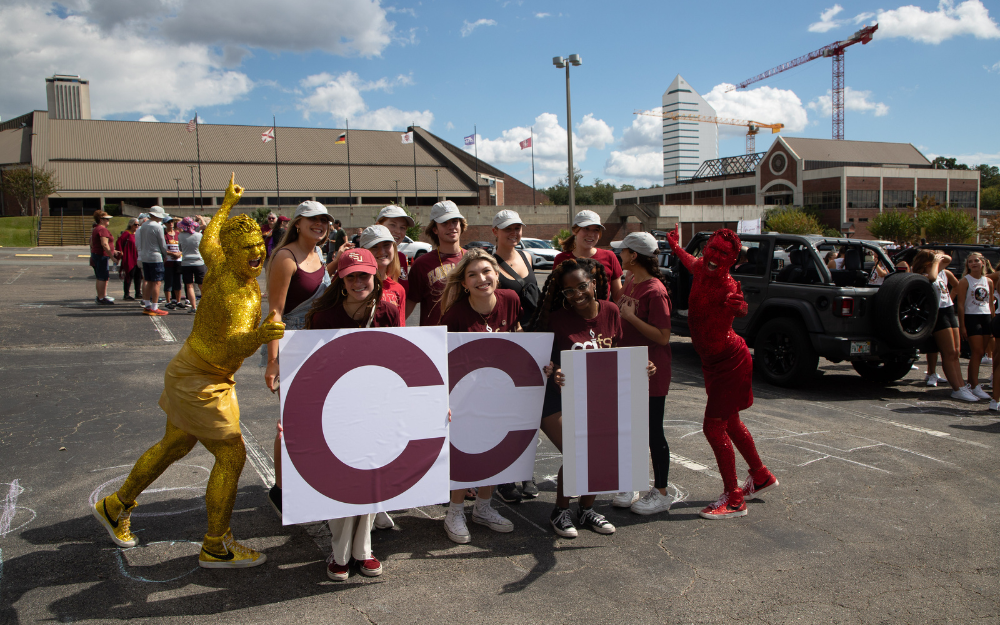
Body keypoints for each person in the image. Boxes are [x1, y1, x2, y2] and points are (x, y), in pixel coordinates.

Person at [92, 174, 284, 568]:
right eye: (247, 248)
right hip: (202, 378)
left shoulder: (222, 261)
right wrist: (261, 336)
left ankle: (115, 505)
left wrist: (226, 205)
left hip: (193, 369)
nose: (256, 253)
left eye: (258, 246)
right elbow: (230, 345)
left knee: (175, 445)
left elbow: (210, 237)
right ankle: (216, 545)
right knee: (231, 454)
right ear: (231, 252)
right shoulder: (234, 294)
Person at [666, 226, 778, 519]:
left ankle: (734, 498)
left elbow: (739, 308)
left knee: (713, 427)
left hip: (730, 362)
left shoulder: (728, 287)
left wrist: (740, 308)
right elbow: (689, 260)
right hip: (713, 363)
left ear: (732, 260)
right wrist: (675, 246)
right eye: (712, 248)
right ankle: (761, 476)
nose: (714, 256)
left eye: (723, 253)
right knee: (731, 423)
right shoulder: (701, 267)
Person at [304, 248, 399, 580]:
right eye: (352, 276)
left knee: (372, 477)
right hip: (337, 409)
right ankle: (340, 552)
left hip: (377, 407)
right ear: (341, 281)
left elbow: (403, 358)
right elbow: (309, 369)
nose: (359, 282)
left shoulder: (387, 311)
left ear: (376, 277)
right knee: (342, 480)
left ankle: (364, 550)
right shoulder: (323, 317)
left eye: (365, 275)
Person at [526, 257, 627, 538]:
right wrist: (555, 371)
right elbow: (547, 362)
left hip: (594, 397)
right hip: (556, 399)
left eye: (582, 286)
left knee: (599, 451)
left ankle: (586, 509)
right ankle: (560, 511)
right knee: (578, 451)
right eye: (569, 291)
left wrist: (643, 367)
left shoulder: (611, 311)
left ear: (593, 283)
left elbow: (617, 353)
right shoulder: (557, 319)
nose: (577, 294)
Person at [436, 249, 519, 543]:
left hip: (500, 391)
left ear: (497, 274)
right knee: (465, 451)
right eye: (472, 274)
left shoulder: (511, 299)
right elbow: (442, 357)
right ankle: (455, 512)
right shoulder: (455, 314)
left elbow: (517, 331)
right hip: (465, 395)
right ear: (464, 283)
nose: (481, 278)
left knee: (495, 448)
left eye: (486, 271)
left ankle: (484, 507)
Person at [264, 201, 336, 516]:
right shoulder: (285, 257)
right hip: (292, 345)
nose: (320, 224)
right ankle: (280, 491)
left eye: (324, 220)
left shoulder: (317, 253)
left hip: (317, 346)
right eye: (312, 219)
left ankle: (306, 481)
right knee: (290, 424)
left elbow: (315, 285)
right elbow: (275, 313)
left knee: (316, 420)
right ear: (297, 223)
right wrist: (273, 360)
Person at [614, 233, 674, 515]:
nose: (620, 255)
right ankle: (630, 483)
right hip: (629, 366)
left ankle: (661, 493)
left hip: (651, 371)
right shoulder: (631, 280)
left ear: (634, 255)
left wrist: (631, 318)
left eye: (623, 251)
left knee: (652, 432)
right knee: (629, 429)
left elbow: (663, 336)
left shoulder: (655, 290)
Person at [490, 209, 542, 503]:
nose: (514, 233)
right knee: (505, 412)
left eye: (518, 228)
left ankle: (525, 472)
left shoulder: (528, 257)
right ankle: (504, 477)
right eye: (508, 228)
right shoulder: (489, 265)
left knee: (529, 412)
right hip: (508, 344)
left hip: (535, 343)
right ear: (495, 231)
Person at [911, 250, 976, 401]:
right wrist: (935, 261)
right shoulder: (923, 275)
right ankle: (956, 388)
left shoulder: (939, 270)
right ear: (927, 263)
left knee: (956, 352)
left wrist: (938, 258)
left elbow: (948, 259)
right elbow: (932, 278)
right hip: (938, 313)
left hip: (948, 310)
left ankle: (961, 385)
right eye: (933, 259)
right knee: (948, 352)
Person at [406, 201, 467, 327]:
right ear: (435, 229)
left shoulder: (473, 260)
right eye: (444, 223)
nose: (451, 227)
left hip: (466, 334)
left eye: (455, 221)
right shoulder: (421, 264)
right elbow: (408, 306)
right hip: (434, 335)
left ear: (461, 225)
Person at [553, 210, 624, 301]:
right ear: (574, 231)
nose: (591, 234)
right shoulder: (561, 259)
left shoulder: (610, 256)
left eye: (596, 230)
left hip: (602, 310)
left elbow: (618, 297)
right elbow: (554, 295)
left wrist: (629, 280)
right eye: (586, 228)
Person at [954, 252, 994, 399]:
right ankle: (974, 385)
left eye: (976, 261)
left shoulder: (988, 281)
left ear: (982, 262)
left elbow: (990, 303)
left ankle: (972, 383)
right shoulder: (965, 281)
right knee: (977, 351)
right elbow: (960, 305)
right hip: (972, 317)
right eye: (970, 261)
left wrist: (993, 321)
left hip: (986, 317)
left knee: (982, 351)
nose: (973, 263)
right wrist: (962, 325)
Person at [359, 225, 406, 319]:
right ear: (363, 251)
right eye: (374, 247)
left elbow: (400, 326)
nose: (381, 251)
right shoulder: (354, 286)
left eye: (386, 244)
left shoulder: (398, 290)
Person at [138, 206, 170, 316]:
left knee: (149, 281)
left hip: (145, 256)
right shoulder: (157, 226)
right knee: (157, 282)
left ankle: (147, 305)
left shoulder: (144, 225)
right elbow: (162, 243)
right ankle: (154, 307)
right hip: (155, 256)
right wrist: (165, 254)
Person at [376, 205, 413, 291]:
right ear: (378, 225)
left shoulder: (401, 258)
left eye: (402, 227)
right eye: (393, 225)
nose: (398, 231)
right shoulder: (366, 257)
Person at [179, 217, 206, 313]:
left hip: (186, 262)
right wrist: (201, 218)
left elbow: (180, 248)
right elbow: (204, 227)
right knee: (201, 285)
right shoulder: (199, 235)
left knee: (189, 286)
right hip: (198, 262)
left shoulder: (181, 236)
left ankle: (194, 307)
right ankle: (205, 306)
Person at [90, 210, 117, 305]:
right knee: (102, 277)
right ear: (101, 220)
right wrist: (112, 256)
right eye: (106, 219)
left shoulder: (96, 228)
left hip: (97, 254)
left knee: (101, 277)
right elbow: (105, 244)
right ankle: (101, 297)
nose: (108, 221)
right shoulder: (102, 229)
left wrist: (113, 251)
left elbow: (92, 243)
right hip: (102, 255)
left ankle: (101, 296)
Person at [116, 218, 141, 301]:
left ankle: (138, 293)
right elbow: (119, 242)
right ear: (131, 224)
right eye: (135, 224)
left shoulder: (137, 234)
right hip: (129, 257)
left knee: (138, 275)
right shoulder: (126, 233)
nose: (137, 226)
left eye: (138, 225)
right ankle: (126, 294)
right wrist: (121, 252)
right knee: (129, 275)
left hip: (137, 257)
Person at [162, 217, 185, 309]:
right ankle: (168, 302)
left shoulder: (178, 234)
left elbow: (183, 246)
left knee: (178, 281)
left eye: (171, 221)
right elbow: (163, 248)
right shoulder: (163, 234)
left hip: (178, 261)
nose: (170, 223)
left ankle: (178, 301)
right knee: (168, 281)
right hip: (168, 261)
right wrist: (172, 253)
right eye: (168, 222)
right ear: (165, 224)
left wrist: (179, 253)